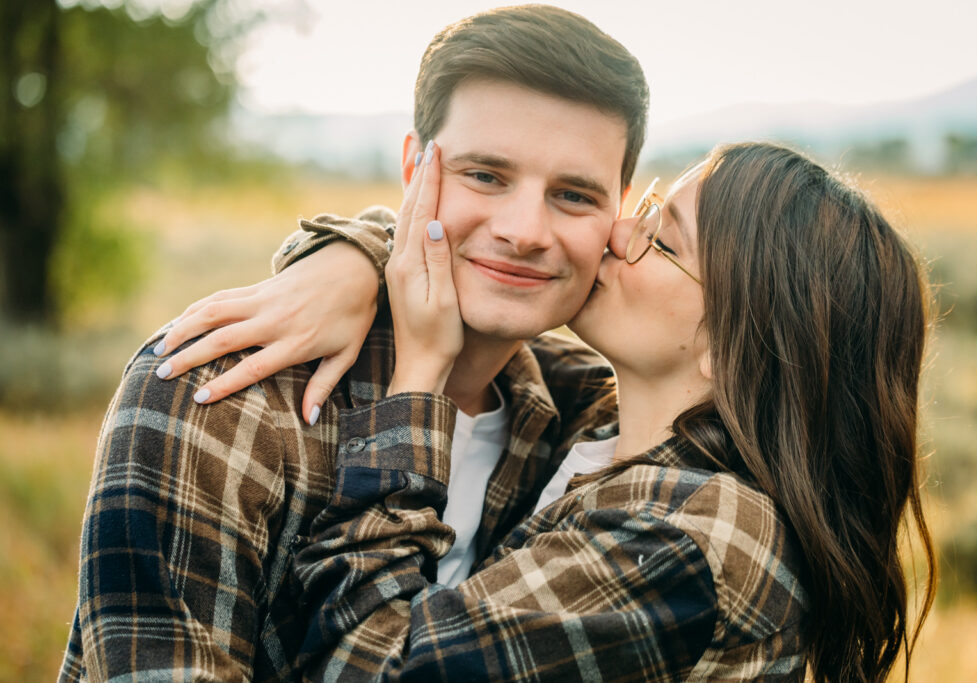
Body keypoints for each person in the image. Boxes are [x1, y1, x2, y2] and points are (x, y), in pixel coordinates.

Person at [179, 142, 938, 680]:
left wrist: (416, 379)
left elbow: (364, 665)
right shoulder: (600, 428)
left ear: (735, 348)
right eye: (643, 206)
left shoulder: (700, 539)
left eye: (662, 239)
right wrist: (352, 261)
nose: (617, 233)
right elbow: (479, 291)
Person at [60, 6, 649, 680]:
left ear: (618, 212)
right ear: (413, 169)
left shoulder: (591, 424)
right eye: (485, 175)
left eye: (573, 195)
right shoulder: (218, 393)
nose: (525, 230)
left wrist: (360, 248)